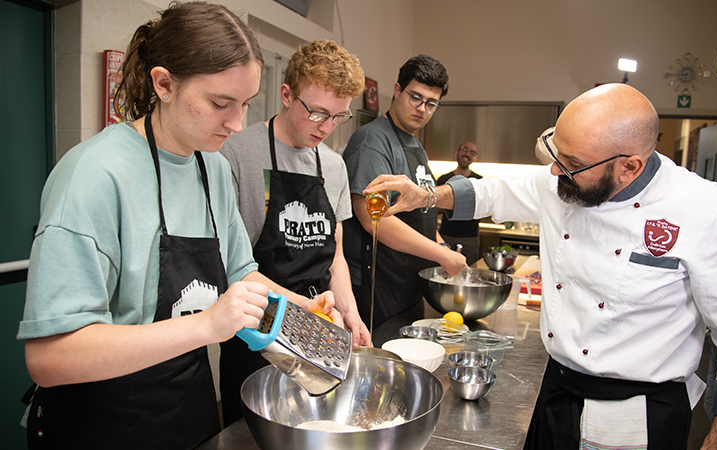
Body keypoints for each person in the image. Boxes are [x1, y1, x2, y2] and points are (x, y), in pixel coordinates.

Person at [364, 83, 717, 450]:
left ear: (628, 166)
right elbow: (492, 192)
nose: (554, 171)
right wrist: (423, 196)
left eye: (571, 163)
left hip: (637, 415)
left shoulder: (706, 210)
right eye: (557, 154)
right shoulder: (562, 178)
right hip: (556, 391)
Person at [16, 3, 341, 449]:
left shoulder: (210, 167)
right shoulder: (94, 175)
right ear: (164, 84)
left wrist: (303, 308)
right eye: (220, 103)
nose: (237, 123)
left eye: (245, 104)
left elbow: (241, 274)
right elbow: (50, 357)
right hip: (100, 425)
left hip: (187, 412)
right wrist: (208, 325)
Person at [218, 39, 371, 425]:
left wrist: (350, 313)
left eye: (338, 116)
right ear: (286, 95)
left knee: (316, 426)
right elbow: (228, 261)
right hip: (258, 330)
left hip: (320, 326)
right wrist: (298, 310)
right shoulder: (237, 151)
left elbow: (333, 252)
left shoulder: (334, 166)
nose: (327, 127)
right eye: (318, 113)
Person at [341, 55, 467, 347]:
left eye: (431, 103)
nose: (422, 109)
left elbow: (420, 213)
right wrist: (442, 256)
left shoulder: (416, 146)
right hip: (377, 287)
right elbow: (374, 219)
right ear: (397, 90)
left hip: (406, 284)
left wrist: (441, 245)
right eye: (415, 98)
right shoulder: (373, 141)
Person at [436, 141, 482, 265]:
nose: (467, 154)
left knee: (468, 273)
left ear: (475, 158)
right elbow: (434, 209)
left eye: (472, 152)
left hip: (470, 238)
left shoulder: (479, 181)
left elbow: (483, 209)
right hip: (445, 236)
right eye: (465, 149)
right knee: (442, 272)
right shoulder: (443, 179)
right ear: (457, 153)